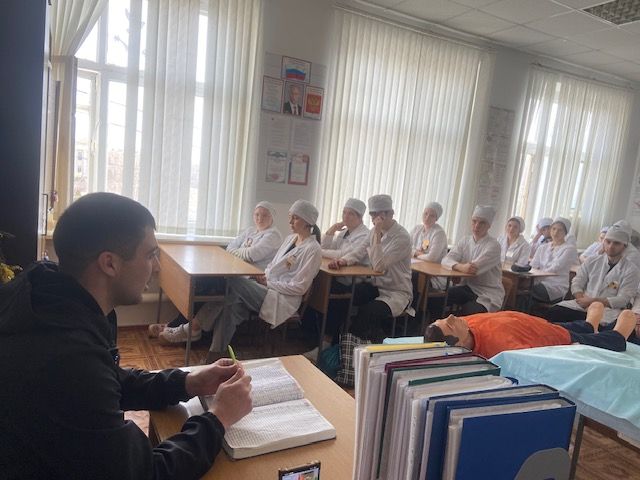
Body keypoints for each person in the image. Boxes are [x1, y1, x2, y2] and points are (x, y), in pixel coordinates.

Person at [0, 192, 253, 479]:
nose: (157, 267)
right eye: (150, 255)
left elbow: (108, 380)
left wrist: (187, 382)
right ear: (109, 264)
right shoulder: (68, 357)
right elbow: (145, 474)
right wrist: (219, 418)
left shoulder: (52, 299)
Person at [153, 201, 282, 343]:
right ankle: (181, 324)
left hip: (252, 282)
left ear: (272, 218)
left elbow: (251, 255)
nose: (260, 218)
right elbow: (230, 247)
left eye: (264, 215)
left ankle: (188, 328)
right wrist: (240, 252)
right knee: (203, 282)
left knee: (215, 284)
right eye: (257, 215)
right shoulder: (250, 231)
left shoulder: (273, 235)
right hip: (238, 273)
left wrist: (237, 252)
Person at [206, 200, 323, 354]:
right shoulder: (290, 239)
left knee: (233, 280)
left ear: (308, 222)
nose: (290, 222)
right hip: (268, 288)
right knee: (231, 305)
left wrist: (269, 283)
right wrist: (264, 277)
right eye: (290, 217)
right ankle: (215, 356)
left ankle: (195, 326)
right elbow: (272, 265)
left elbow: (300, 287)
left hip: (283, 299)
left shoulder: (313, 250)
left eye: (295, 218)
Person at [329, 194, 412, 342]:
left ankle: (351, 347)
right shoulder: (374, 231)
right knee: (343, 297)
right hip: (375, 286)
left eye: (380, 215)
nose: (375, 219)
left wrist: (377, 235)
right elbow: (359, 251)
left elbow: (379, 266)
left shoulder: (402, 237)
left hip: (394, 292)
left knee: (367, 312)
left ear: (391, 213)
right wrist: (342, 261)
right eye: (372, 215)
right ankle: (332, 341)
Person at [424, 302, 637, 359]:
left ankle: (590, 324)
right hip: (555, 337)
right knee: (603, 337)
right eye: (449, 324)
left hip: (540, 325)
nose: (451, 317)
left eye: (443, 319)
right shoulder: (500, 350)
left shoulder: (465, 324)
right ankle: (618, 332)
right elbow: (536, 357)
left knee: (581, 326)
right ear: (459, 344)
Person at [546, 225, 640, 324]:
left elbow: (623, 299)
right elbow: (577, 281)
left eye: (616, 243)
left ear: (625, 246)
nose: (611, 246)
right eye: (608, 242)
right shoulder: (592, 261)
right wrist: (582, 299)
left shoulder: (631, 270)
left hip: (606, 311)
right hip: (582, 305)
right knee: (554, 312)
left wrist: (593, 301)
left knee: (585, 325)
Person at [436, 205, 504, 315]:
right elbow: (446, 260)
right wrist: (460, 267)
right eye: (474, 221)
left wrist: (458, 268)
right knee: (438, 299)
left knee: (469, 311)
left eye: (482, 223)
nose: (477, 226)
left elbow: (473, 269)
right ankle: (438, 324)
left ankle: (456, 326)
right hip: (468, 287)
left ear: (489, 226)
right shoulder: (465, 240)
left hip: (487, 293)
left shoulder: (493, 245)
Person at [529, 217, 578, 303]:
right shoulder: (543, 247)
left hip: (555, 285)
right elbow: (533, 265)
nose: (555, 232)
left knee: (527, 291)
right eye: (554, 229)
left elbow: (556, 267)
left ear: (565, 233)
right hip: (538, 281)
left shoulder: (569, 249)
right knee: (519, 288)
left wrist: (536, 278)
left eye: (560, 230)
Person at [498, 216, 531, 309]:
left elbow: (522, 264)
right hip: (498, 271)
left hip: (513, 276)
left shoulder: (525, 245)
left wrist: (507, 266)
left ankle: (506, 307)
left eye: (515, 227)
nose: (511, 229)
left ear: (520, 229)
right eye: (509, 225)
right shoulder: (500, 239)